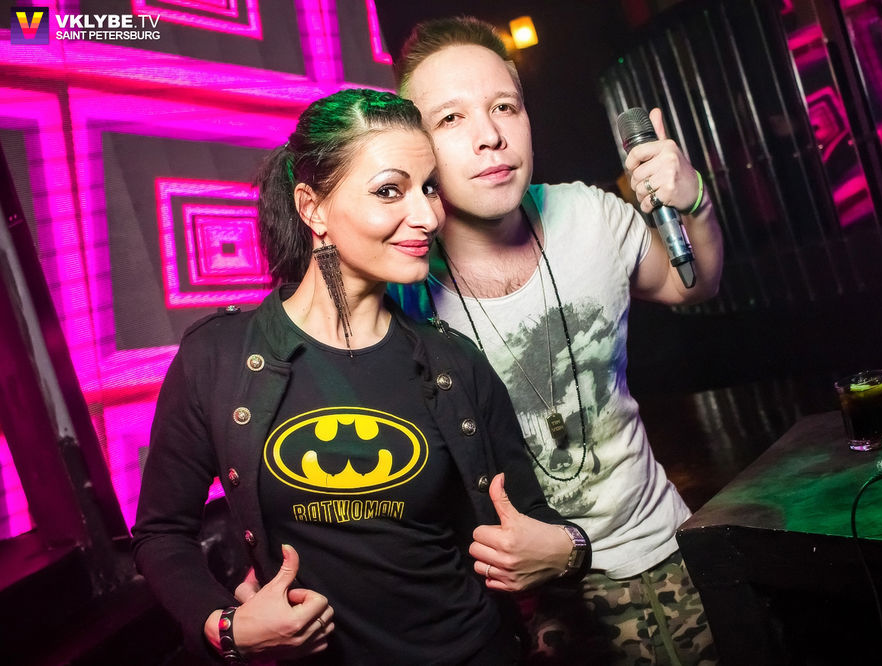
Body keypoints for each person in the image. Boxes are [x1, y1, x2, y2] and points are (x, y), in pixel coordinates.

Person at [131, 88, 592, 665]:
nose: (427, 216)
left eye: (429, 188)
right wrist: (227, 628)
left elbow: (538, 529)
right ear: (312, 208)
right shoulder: (217, 358)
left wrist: (572, 549)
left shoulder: (455, 363)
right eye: (389, 191)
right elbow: (162, 533)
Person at [390, 17, 724, 665]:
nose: (490, 135)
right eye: (451, 118)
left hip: (666, 548)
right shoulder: (402, 286)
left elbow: (693, 285)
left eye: (504, 107)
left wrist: (697, 203)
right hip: (527, 602)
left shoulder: (589, 216)